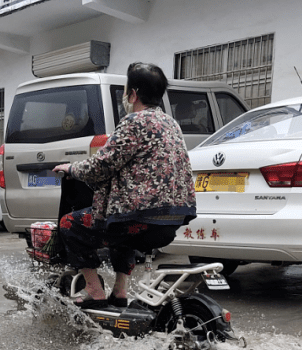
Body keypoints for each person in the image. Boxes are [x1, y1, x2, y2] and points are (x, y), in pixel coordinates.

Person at [52, 62, 196, 309]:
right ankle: (119, 291)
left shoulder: (134, 121)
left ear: (134, 93)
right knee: (120, 226)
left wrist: (71, 168)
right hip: (171, 219)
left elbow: (104, 165)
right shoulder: (172, 124)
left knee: (70, 224)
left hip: (141, 218)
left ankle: (94, 290)